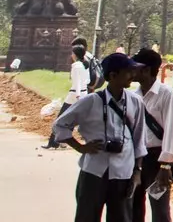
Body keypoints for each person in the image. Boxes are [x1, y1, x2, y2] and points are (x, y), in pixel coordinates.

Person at [46, 51, 143, 222]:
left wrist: (137, 172)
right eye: (128, 71)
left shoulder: (135, 102)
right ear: (113, 75)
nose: (132, 75)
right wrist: (80, 147)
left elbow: (139, 140)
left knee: (122, 217)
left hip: (123, 172)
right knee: (87, 216)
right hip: (94, 171)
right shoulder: (91, 101)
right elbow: (60, 124)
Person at [129, 48, 173, 222]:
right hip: (135, 158)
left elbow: (171, 131)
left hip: (156, 159)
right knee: (133, 208)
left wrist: (165, 166)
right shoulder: (132, 95)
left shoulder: (167, 95)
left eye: (135, 66)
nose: (131, 70)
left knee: (159, 210)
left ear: (146, 70)